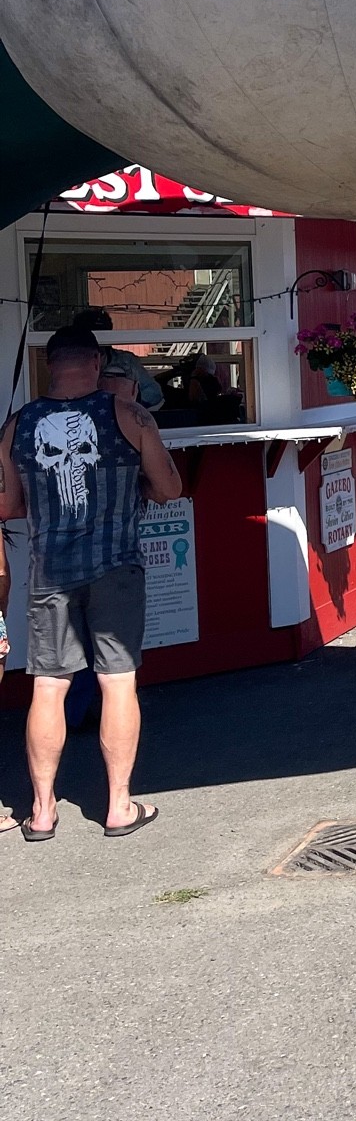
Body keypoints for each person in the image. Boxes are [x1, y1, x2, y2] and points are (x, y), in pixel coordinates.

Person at [0, 323, 182, 840]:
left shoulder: (18, 424)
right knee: (118, 681)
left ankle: (39, 812)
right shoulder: (129, 414)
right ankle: (119, 806)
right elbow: (170, 487)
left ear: (50, 366)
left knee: (49, 686)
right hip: (115, 567)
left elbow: (8, 505)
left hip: (48, 572)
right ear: (98, 365)